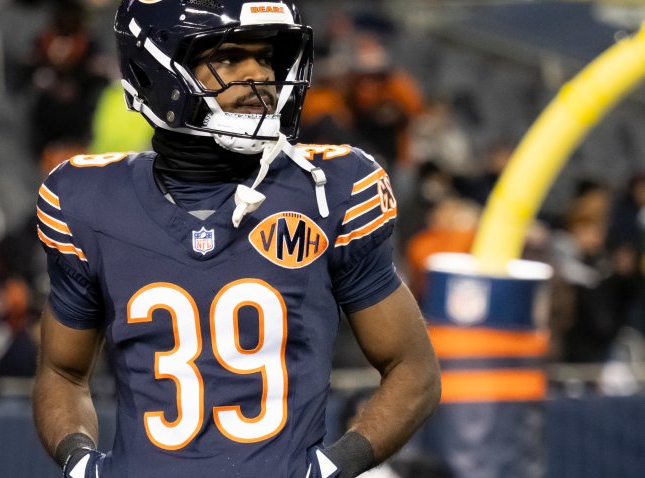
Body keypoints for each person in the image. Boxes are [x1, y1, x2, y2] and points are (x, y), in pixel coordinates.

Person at [32, 2, 441, 478]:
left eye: (266, 57)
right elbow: (62, 372)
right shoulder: (88, 199)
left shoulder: (329, 187)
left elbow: (414, 370)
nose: (258, 76)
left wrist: (333, 467)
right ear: (156, 71)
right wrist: (81, 463)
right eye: (228, 58)